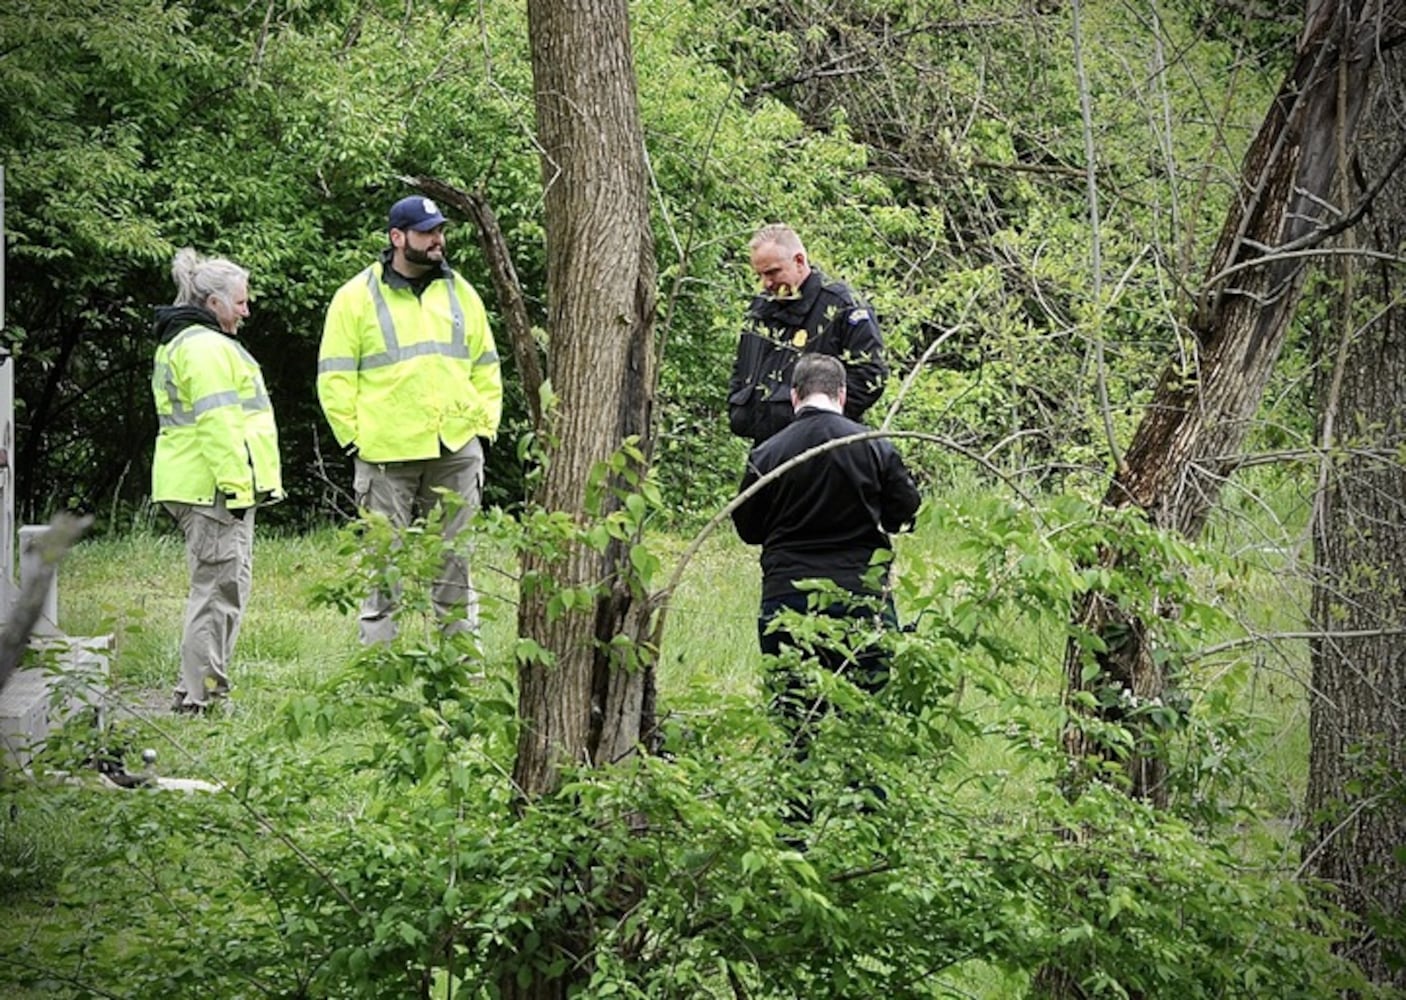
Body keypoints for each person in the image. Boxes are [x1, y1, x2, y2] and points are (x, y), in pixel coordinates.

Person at [318, 194, 503, 645]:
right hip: (385, 453)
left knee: (455, 564)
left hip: (456, 448)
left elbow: (486, 364)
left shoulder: (461, 291)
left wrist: (482, 426)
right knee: (386, 569)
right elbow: (334, 377)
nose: (437, 239)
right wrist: (354, 441)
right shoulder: (355, 297)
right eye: (426, 232)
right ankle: (381, 671)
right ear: (397, 237)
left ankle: (460, 668)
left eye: (439, 230)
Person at [731, 353, 921, 745]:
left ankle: (796, 803)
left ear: (795, 396)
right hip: (862, 597)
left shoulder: (767, 455)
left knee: (794, 725)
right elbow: (904, 512)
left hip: (788, 598)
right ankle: (867, 805)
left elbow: (748, 529)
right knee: (868, 725)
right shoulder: (872, 446)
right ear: (843, 394)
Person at [151, 248, 283, 714]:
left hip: (197, 482)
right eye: (241, 303)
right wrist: (237, 487)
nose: (247, 311)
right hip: (213, 488)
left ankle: (198, 689)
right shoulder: (206, 348)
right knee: (215, 593)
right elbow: (219, 424)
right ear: (213, 303)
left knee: (222, 589)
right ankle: (200, 697)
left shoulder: (184, 342)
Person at [728, 223, 888, 445]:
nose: (767, 283)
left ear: (799, 261)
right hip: (766, 450)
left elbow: (870, 377)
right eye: (761, 275)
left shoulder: (842, 307)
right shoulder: (760, 309)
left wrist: (819, 424)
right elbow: (741, 370)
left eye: (773, 272)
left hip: (823, 451)